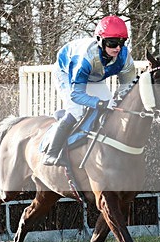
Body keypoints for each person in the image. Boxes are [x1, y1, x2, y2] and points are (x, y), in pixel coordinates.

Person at [42, 15, 136, 166]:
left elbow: (128, 85)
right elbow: (77, 95)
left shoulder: (124, 57)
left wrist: (117, 99)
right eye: (112, 42)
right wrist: (99, 103)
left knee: (112, 109)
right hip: (66, 72)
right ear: (100, 40)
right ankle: (51, 153)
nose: (118, 48)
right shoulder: (85, 58)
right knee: (76, 110)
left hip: (94, 77)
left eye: (122, 42)